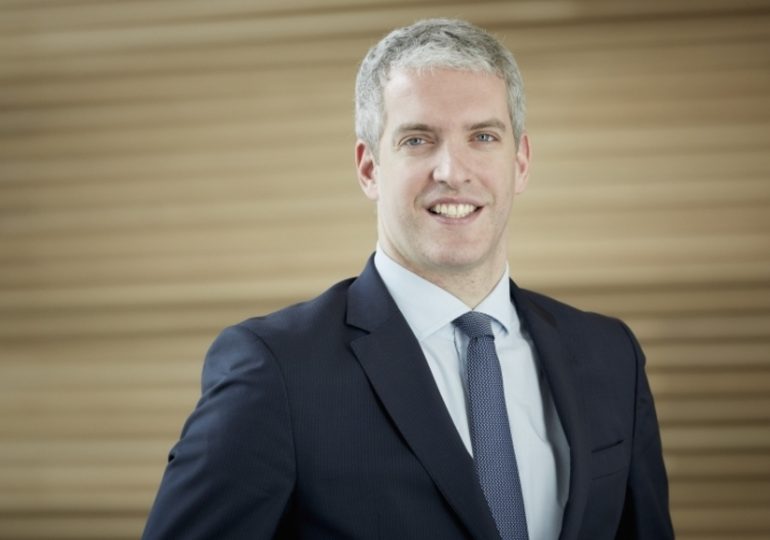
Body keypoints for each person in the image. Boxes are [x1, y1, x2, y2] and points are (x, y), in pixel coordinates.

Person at [142, 18, 674, 540]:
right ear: (369, 168)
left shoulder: (611, 356)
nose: (452, 171)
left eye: (483, 136)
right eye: (418, 140)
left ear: (521, 161)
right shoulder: (275, 371)